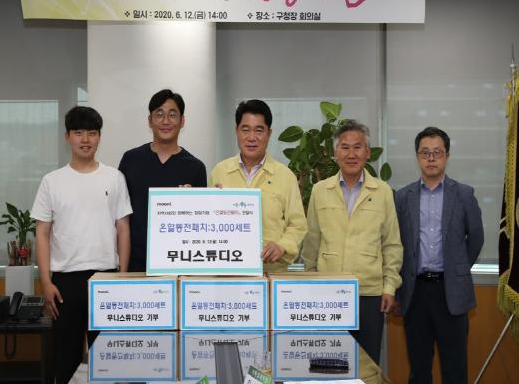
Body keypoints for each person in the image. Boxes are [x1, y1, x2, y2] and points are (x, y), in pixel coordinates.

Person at [32, 106, 132, 384]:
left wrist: (122, 277)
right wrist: (45, 282)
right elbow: (42, 233)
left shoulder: (114, 177)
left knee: (109, 360)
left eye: (92, 133)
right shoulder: (52, 181)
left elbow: (123, 228)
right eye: (78, 133)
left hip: (106, 279)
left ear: (99, 137)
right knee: (65, 359)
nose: (85, 139)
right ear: (67, 136)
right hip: (65, 283)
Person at [301, 119, 402, 365]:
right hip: (328, 292)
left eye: (358, 147)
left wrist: (389, 287)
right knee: (328, 364)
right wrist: (311, 282)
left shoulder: (382, 192)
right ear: (335, 153)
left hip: (369, 293)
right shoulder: (320, 190)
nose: (351, 154)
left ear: (368, 153)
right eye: (344, 147)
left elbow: (391, 244)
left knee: (367, 364)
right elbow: (311, 241)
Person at [394, 127, 484, 384]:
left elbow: (476, 238)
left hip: (451, 292)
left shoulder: (464, 194)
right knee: (419, 368)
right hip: (416, 292)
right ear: (417, 156)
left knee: (455, 368)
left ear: (447, 156)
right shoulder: (403, 197)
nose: (431, 158)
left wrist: (457, 269)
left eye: (437, 152)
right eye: (425, 153)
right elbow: (396, 243)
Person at [210, 99, 307, 272]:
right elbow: (207, 220)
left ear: (269, 133)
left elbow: (298, 225)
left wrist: (282, 246)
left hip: (272, 273)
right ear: (236, 131)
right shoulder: (220, 171)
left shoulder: (285, 176)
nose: (251, 138)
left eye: (259, 130)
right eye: (245, 130)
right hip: (228, 272)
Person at [119, 89, 207, 272]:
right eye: (159, 114)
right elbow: (120, 216)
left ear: (182, 121)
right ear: (149, 121)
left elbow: (201, 224)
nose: (165, 121)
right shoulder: (131, 160)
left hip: (179, 265)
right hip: (135, 265)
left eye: (172, 115)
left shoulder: (195, 167)